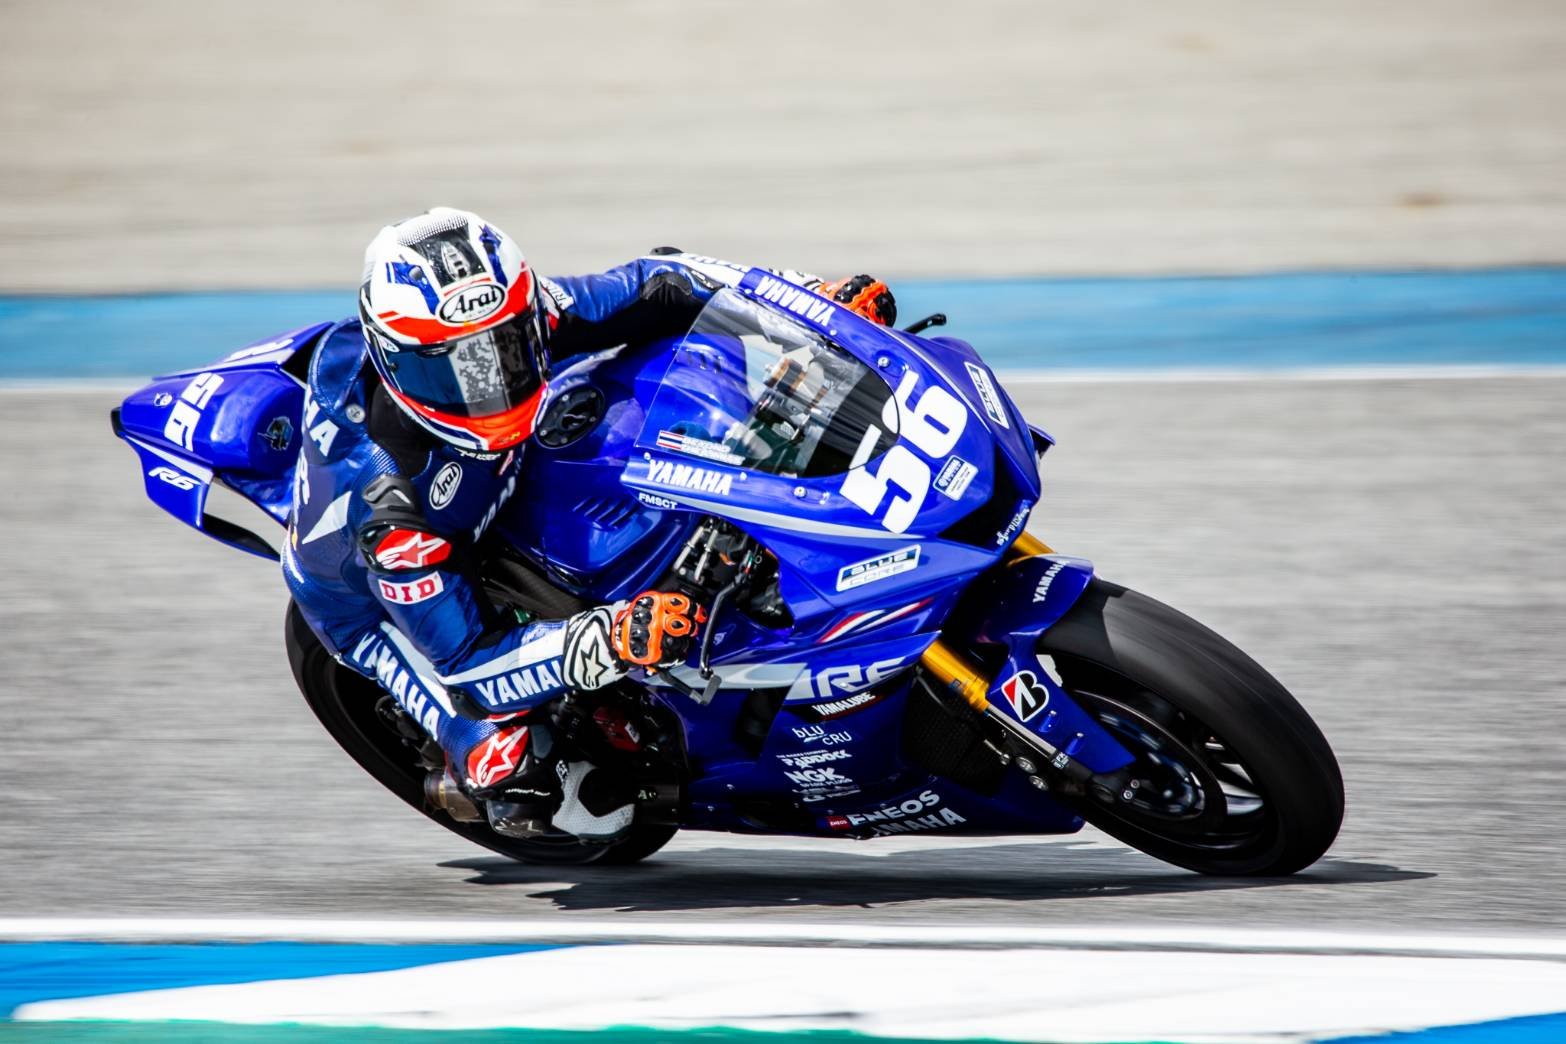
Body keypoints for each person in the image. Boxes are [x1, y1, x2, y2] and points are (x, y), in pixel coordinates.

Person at [283, 207, 896, 843]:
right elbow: (469, 666)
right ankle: (494, 770)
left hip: (502, 481)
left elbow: (662, 280)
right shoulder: (394, 516)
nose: (489, 381)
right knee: (519, 768)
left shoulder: (526, 314)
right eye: (454, 369)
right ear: (397, 364)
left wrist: (809, 300)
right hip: (372, 604)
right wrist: (611, 638)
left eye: (503, 348)